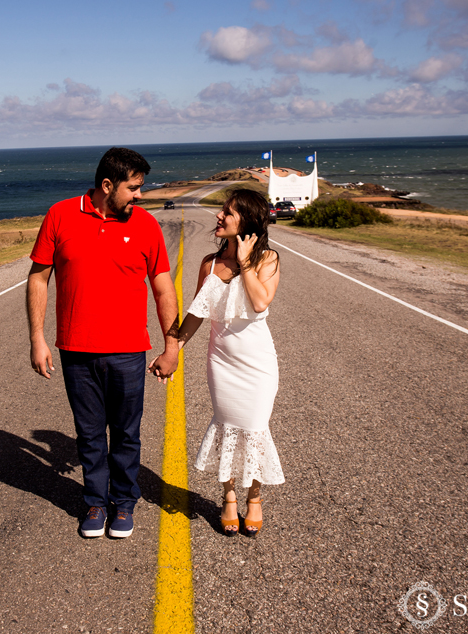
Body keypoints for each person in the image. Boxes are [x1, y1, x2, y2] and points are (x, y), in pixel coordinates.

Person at [27, 147, 179, 539]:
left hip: (128, 352)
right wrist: (37, 338)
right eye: (134, 188)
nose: (140, 196)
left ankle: (124, 503)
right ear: (108, 185)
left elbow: (163, 289)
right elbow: (38, 278)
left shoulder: (146, 225)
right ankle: (96, 502)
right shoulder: (60, 215)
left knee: (126, 434)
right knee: (90, 433)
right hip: (76, 351)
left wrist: (172, 346)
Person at [152, 189, 284, 537]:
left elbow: (260, 303)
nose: (219, 216)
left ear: (248, 221)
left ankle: (254, 498)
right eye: (222, 210)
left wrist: (244, 261)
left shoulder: (268, 259)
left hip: (257, 363)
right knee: (226, 427)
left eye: (228, 212)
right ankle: (228, 497)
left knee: (254, 429)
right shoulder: (209, 264)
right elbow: (197, 314)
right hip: (221, 363)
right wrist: (173, 350)